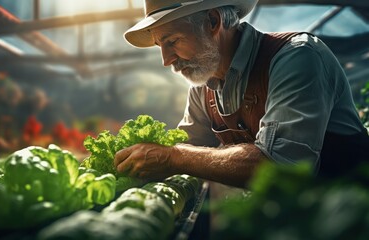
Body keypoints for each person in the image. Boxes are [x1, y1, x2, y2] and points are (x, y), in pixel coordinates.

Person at [114, 0, 369, 188]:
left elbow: (281, 166)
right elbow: (190, 147)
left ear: (213, 21)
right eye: (161, 46)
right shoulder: (202, 86)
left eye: (173, 41)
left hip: (350, 219)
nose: (166, 60)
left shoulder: (297, 57)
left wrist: (172, 157)